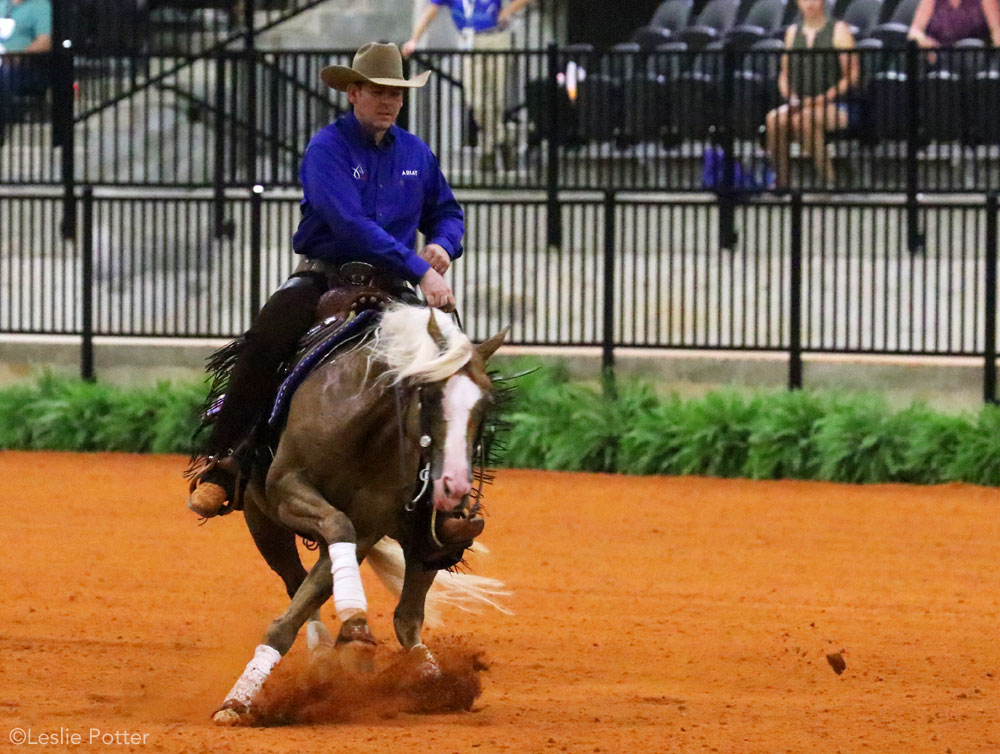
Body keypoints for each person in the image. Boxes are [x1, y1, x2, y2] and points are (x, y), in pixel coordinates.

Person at [187, 41, 465, 518]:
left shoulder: (418, 152)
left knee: (455, 369)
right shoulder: (327, 148)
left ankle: (446, 492)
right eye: (376, 91)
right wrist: (420, 269)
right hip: (324, 279)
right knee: (266, 339)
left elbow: (447, 212)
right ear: (352, 93)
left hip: (390, 289)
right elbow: (350, 224)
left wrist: (443, 243)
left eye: (395, 94)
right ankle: (227, 459)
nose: (388, 101)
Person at [402, 0, 535, 172]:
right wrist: (414, 39)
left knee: (497, 98)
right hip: (469, 40)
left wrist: (508, 10)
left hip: (496, 37)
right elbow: (431, 10)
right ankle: (501, 139)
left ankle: (488, 151)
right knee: (476, 100)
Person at [764, 0, 859, 190]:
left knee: (802, 120)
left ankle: (829, 180)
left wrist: (822, 99)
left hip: (836, 105)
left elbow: (852, 77)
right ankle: (782, 181)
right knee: (774, 119)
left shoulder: (839, 31)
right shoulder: (792, 33)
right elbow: (784, 74)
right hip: (800, 103)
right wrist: (791, 96)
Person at [0, 0, 52, 143]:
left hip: (22, 65)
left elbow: (45, 41)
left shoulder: (40, 6)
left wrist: (20, 56)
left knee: (5, 75)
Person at [908, 0, 1000, 49]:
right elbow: (915, 31)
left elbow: (996, 30)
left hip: (973, 55)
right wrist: (924, 42)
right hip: (939, 56)